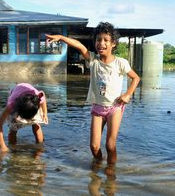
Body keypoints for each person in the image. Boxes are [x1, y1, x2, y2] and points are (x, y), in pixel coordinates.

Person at [46, 22, 140, 164]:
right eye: (98, 40)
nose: (101, 43)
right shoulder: (93, 60)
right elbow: (79, 45)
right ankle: (98, 165)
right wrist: (61, 37)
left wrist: (127, 94)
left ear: (113, 44)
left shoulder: (121, 63)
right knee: (94, 146)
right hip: (98, 107)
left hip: (115, 107)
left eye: (106, 40)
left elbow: (136, 78)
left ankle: (110, 172)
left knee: (110, 145)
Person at [0, 83, 48, 153]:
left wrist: (45, 113)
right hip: (16, 98)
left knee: (36, 124)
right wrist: (2, 146)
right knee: (13, 129)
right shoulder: (11, 104)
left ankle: (40, 148)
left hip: (30, 101)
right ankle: (13, 152)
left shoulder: (36, 98)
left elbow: (42, 96)